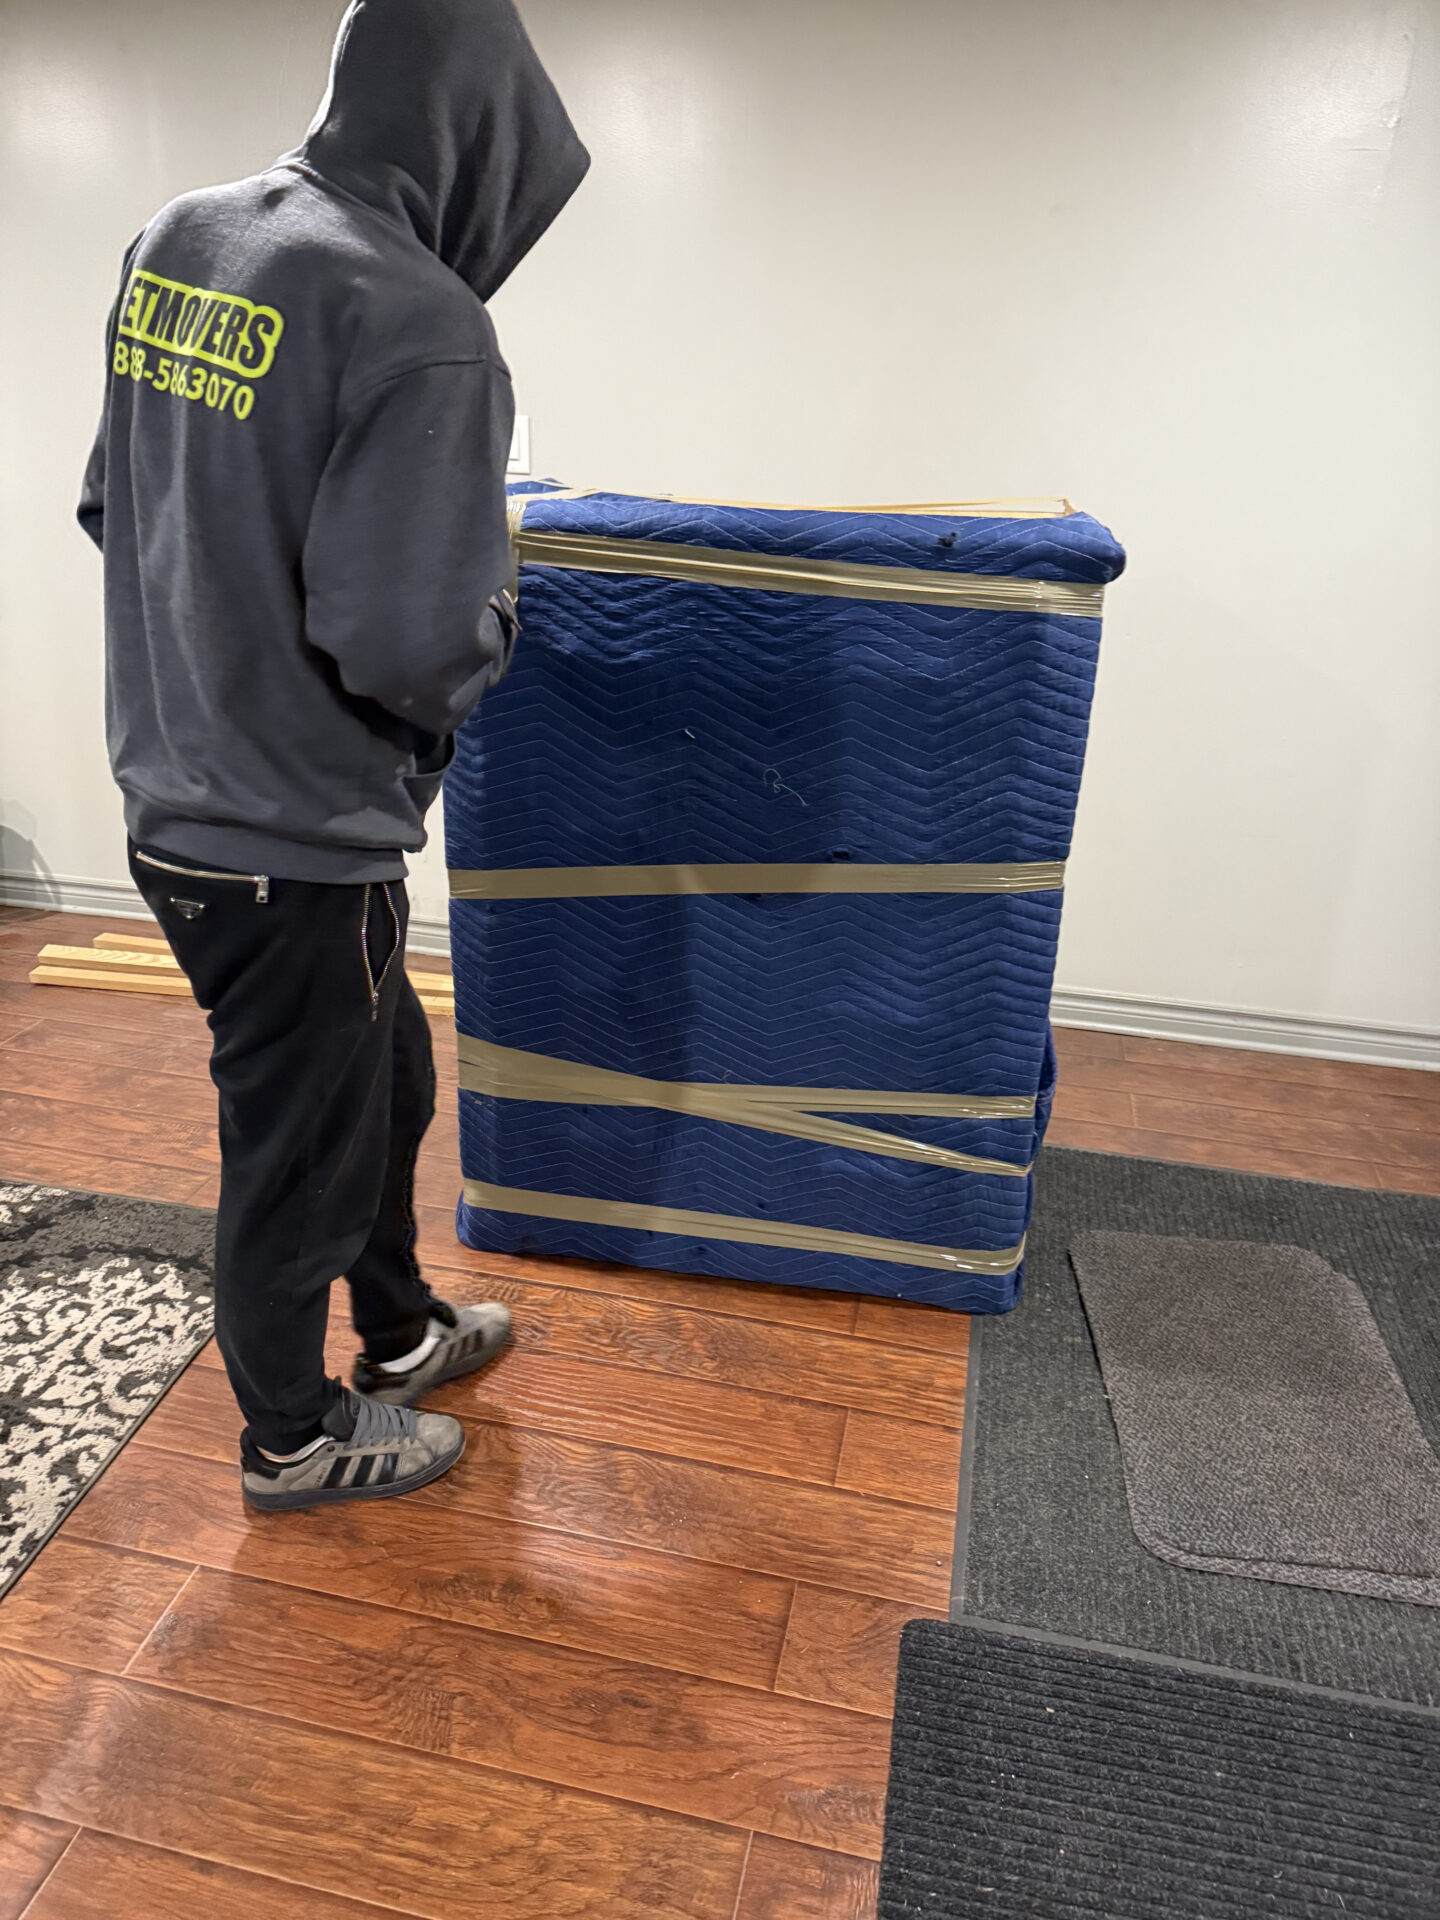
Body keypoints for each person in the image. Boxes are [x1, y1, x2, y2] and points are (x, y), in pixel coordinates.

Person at [77, 0, 589, 1512]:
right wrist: (499, 613)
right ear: (477, 140)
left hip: (174, 802)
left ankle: (400, 1330)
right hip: (294, 841)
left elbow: (117, 504)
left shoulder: (181, 238)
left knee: (389, 1078)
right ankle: (291, 1441)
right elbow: (411, 643)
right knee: (296, 1151)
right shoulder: (425, 324)